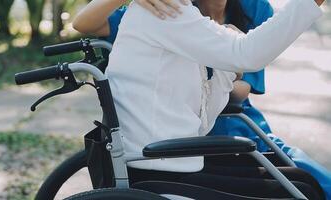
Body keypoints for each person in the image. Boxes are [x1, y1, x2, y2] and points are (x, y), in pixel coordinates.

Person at [73, 0, 326, 198]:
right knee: (304, 189)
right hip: (161, 166)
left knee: (304, 180)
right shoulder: (164, 11)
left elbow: (204, 117)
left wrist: (227, 68)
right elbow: (248, 53)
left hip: (172, 160)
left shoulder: (181, 15)